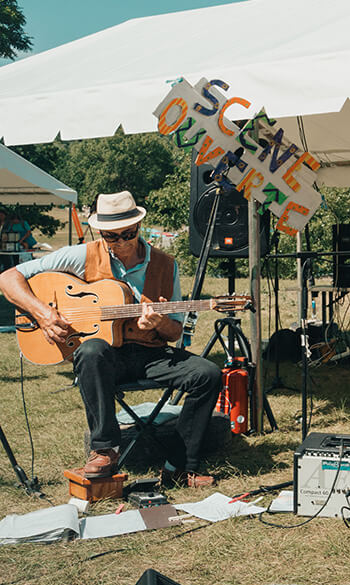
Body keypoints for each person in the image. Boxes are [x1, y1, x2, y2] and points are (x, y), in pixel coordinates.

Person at [0, 191, 222, 487]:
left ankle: (180, 466)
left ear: (139, 228)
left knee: (207, 374)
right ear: (101, 232)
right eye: (110, 236)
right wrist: (42, 314)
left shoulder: (166, 265)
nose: (119, 243)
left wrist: (158, 322)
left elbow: (175, 332)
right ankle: (104, 450)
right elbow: (8, 278)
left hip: (149, 354)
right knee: (91, 350)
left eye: (126, 234)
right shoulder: (82, 255)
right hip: (106, 358)